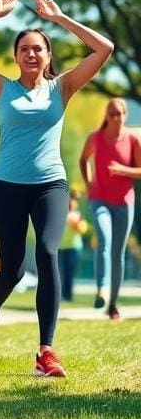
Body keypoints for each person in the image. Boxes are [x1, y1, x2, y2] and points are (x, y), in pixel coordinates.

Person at [0, 0, 113, 377]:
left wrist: (58, 19)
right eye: (24, 49)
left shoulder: (63, 87)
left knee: (47, 252)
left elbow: (104, 49)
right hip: (7, 186)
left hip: (50, 185)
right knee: (13, 269)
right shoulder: (0, 87)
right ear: (16, 57)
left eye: (37, 48)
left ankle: (46, 352)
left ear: (47, 55)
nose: (30, 53)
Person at [78, 98, 141, 319]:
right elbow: (83, 159)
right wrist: (88, 183)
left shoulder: (132, 140)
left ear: (125, 116)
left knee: (118, 253)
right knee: (104, 239)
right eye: (112, 113)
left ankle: (113, 304)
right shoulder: (96, 138)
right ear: (106, 115)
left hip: (124, 202)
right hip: (99, 200)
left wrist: (123, 170)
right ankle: (102, 289)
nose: (116, 118)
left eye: (119, 114)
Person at [58, 194, 88, 303]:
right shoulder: (60, 213)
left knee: (69, 272)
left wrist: (76, 224)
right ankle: (60, 294)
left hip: (74, 248)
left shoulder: (78, 216)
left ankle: (68, 295)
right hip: (61, 248)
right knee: (60, 272)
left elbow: (83, 229)